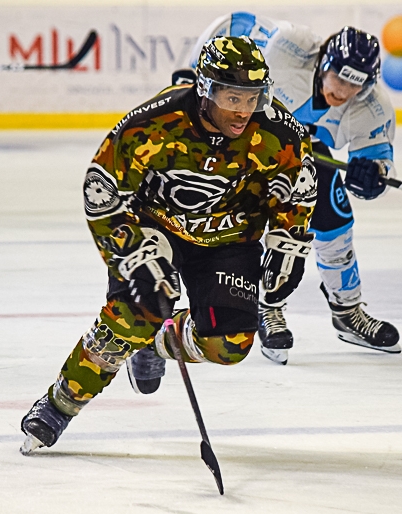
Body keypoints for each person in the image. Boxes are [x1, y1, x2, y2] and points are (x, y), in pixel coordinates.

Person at [20, 36, 317, 454]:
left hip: (228, 237)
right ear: (205, 89)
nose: (244, 110)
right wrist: (131, 256)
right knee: (132, 314)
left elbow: (297, 189)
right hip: (154, 228)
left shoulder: (278, 132)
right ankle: (59, 404)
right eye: (233, 97)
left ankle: (159, 339)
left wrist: (290, 242)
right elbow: (102, 192)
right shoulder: (153, 124)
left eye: (253, 98)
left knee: (230, 346)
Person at [187, 14, 401, 364]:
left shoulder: (373, 107)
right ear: (324, 63)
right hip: (248, 146)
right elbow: (236, 24)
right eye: (339, 79)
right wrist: (193, 73)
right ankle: (265, 306)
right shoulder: (290, 47)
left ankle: (347, 312)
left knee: (334, 215)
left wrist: (372, 175)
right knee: (246, 224)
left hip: (305, 156)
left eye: (355, 87)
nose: (343, 92)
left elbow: (380, 162)